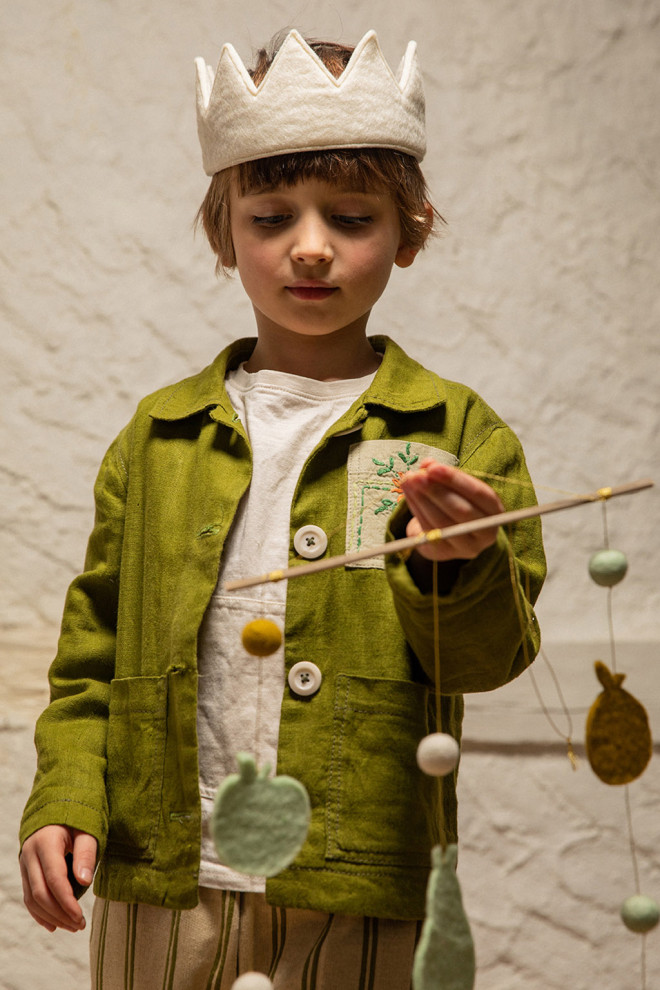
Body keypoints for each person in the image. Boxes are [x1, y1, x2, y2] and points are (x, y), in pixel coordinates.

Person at [19, 29, 546, 989]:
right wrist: (62, 796)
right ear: (225, 231)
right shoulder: (159, 436)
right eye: (271, 218)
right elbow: (91, 652)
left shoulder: (456, 432)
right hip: (166, 879)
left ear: (409, 229)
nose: (311, 248)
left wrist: (454, 565)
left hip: (360, 882)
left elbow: (489, 658)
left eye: (350, 217)